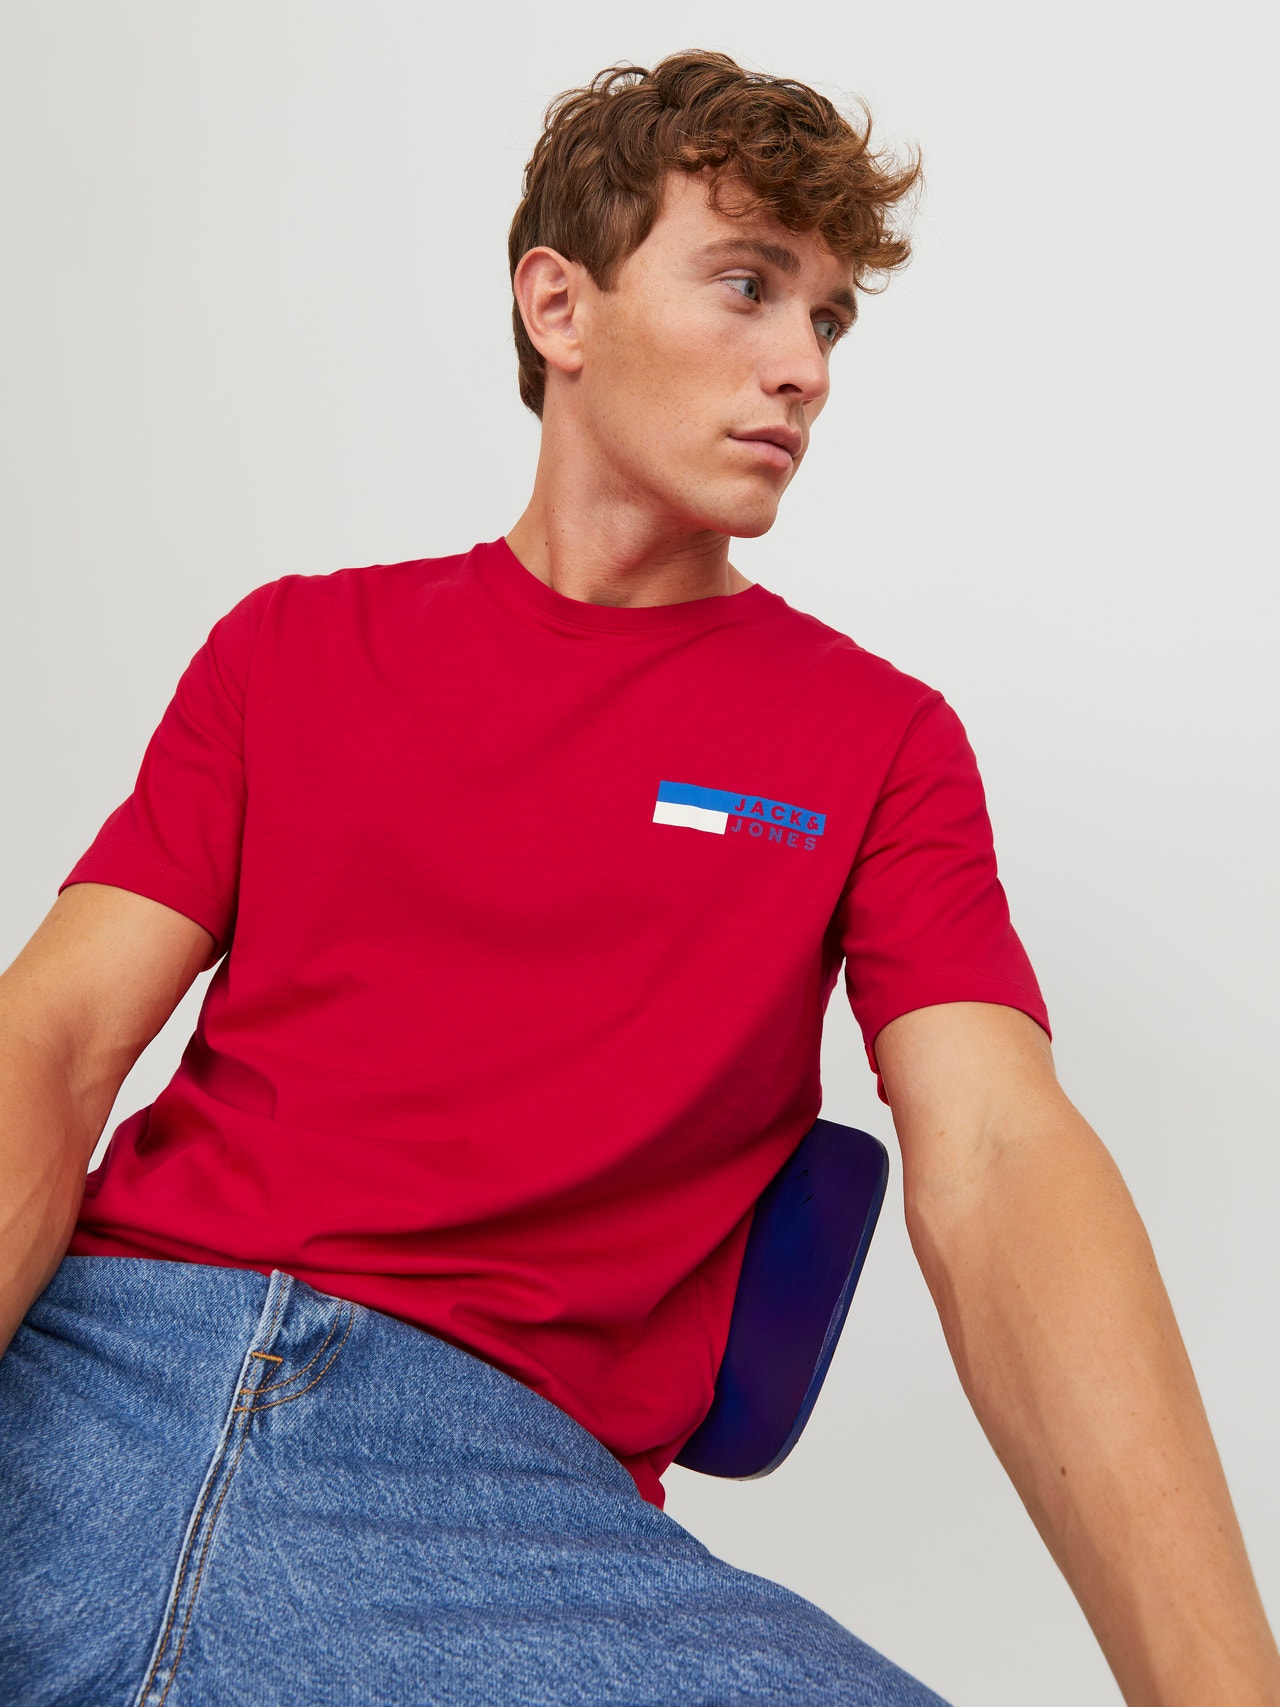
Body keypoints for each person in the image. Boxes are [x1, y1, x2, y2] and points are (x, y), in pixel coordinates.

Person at [0, 48, 1275, 1707]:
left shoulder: (877, 744)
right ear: (560, 307)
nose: (803, 367)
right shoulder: (293, 647)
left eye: (829, 319)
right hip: (99, 1372)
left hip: (489, 1507)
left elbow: (998, 1152)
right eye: (748, 286)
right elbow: (50, 1045)